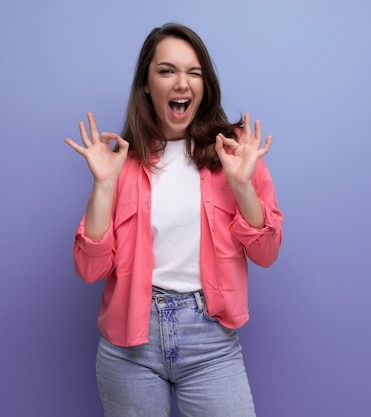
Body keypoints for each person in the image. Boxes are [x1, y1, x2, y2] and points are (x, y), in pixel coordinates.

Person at [64, 22, 283, 417]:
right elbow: (90, 270)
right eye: (167, 71)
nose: (181, 82)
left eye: (193, 72)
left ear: (205, 83)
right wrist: (102, 186)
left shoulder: (235, 153)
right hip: (129, 344)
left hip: (210, 340)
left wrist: (242, 187)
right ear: (147, 83)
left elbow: (267, 253)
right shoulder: (122, 163)